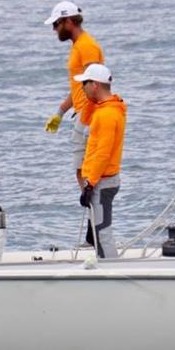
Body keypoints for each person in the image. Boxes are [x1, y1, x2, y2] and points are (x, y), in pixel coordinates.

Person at [43, 1, 105, 191]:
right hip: (82, 114)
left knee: (85, 172)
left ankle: (95, 216)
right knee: (81, 171)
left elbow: (94, 85)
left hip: (88, 115)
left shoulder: (87, 46)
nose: (55, 29)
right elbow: (80, 86)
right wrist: (60, 112)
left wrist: (88, 120)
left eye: (56, 24)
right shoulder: (78, 46)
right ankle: (93, 215)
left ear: (68, 21)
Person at [74, 64, 127, 258]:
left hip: (102, 182)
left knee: (102, 232)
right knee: (97, 232)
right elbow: (86, 118)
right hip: (100, 180)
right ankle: (106, 266)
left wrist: (90, 185)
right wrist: (90, 98)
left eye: (85, 84)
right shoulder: (103, 107)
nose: (82, 88)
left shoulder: (107, 115)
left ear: (95, 85)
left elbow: (103, 154)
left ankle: (112, 272)